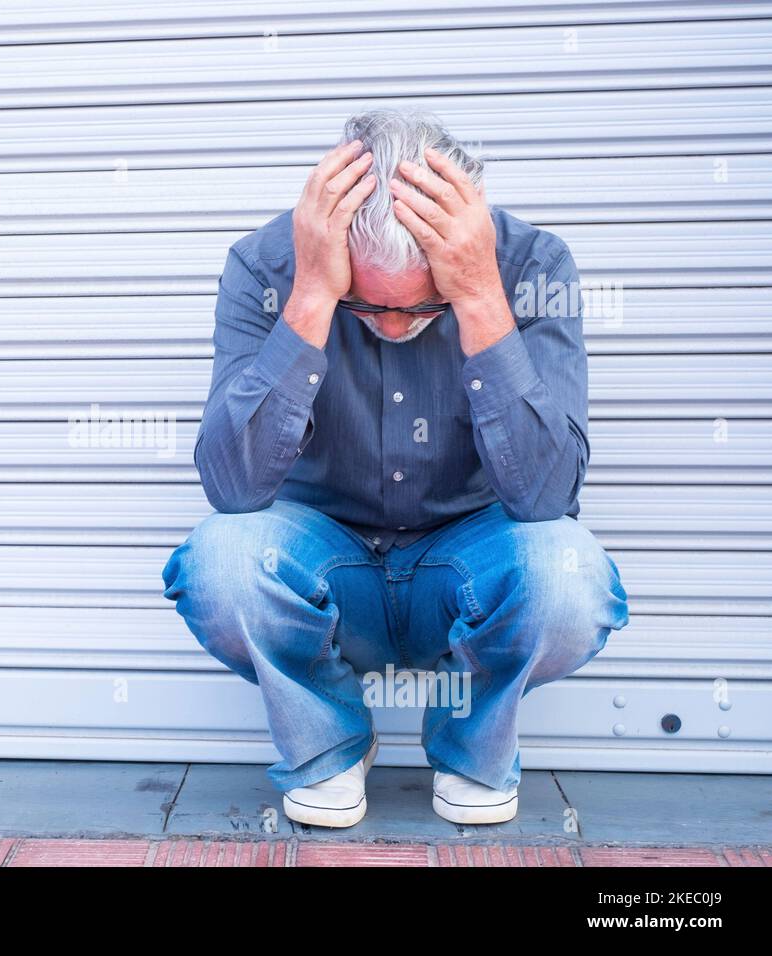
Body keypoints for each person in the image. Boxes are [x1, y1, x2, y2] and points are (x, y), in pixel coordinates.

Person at [161, 108, 630, 828]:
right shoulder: (266, 267)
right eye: (365, 304)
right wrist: (315, 295)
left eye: (420, 308)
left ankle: (472, 746)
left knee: (570, 578)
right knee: (219, 562)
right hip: (329, 561)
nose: (389, 325)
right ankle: (329, 744)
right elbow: (232, 486)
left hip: (465, 565)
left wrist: (477, 299)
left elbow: (546, 497)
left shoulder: (532, 268)